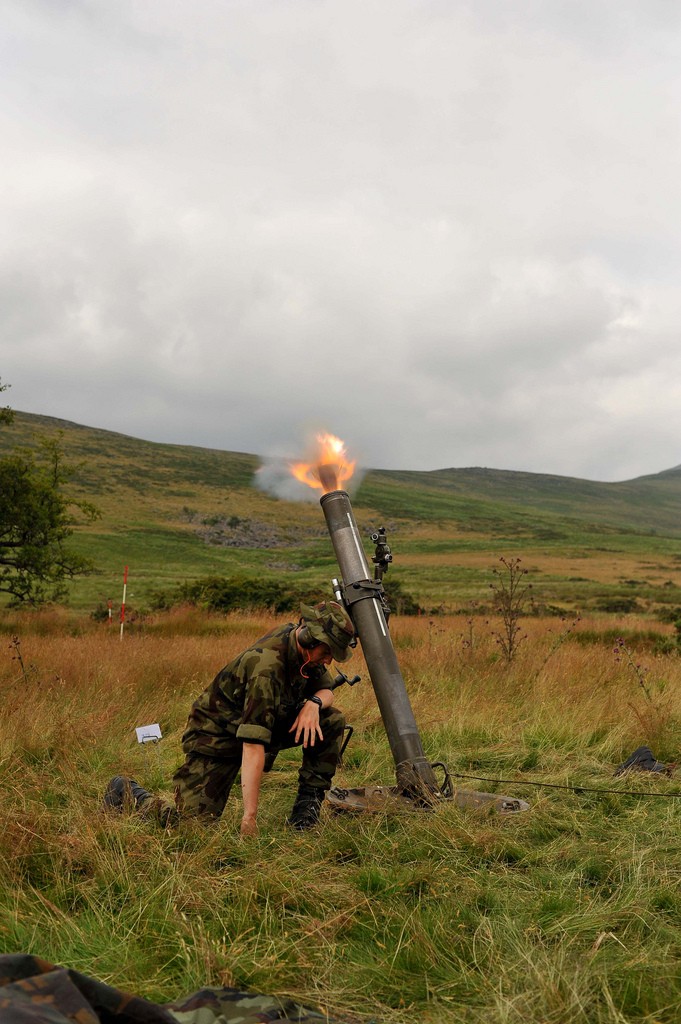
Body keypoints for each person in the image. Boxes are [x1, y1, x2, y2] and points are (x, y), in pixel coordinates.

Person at [104, 600, 356, 835]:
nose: (329, 659)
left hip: (263, 723)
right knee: (192, 828)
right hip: (217, 739)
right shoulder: (266, 670)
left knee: (330, 719)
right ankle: (127, 792)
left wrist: (314, 703)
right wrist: (250, 817)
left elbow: (326, 690)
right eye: (327, 651)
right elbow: (253, 745)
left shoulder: (305, 652)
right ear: (308, 637)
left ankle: (305, 813)